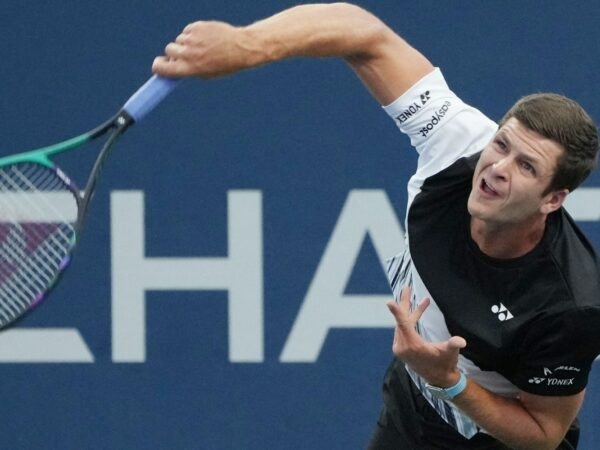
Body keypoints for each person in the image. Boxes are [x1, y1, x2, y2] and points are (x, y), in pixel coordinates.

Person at [152, 3, 600, 449]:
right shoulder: (458, 144)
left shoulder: (568, 305)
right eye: (501, 143)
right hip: (413, 409)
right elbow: (364, 33)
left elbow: (545, 434)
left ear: (553, 199)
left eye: (526, 167)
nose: (498, 167)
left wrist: (449, 383)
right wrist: (245, 44)